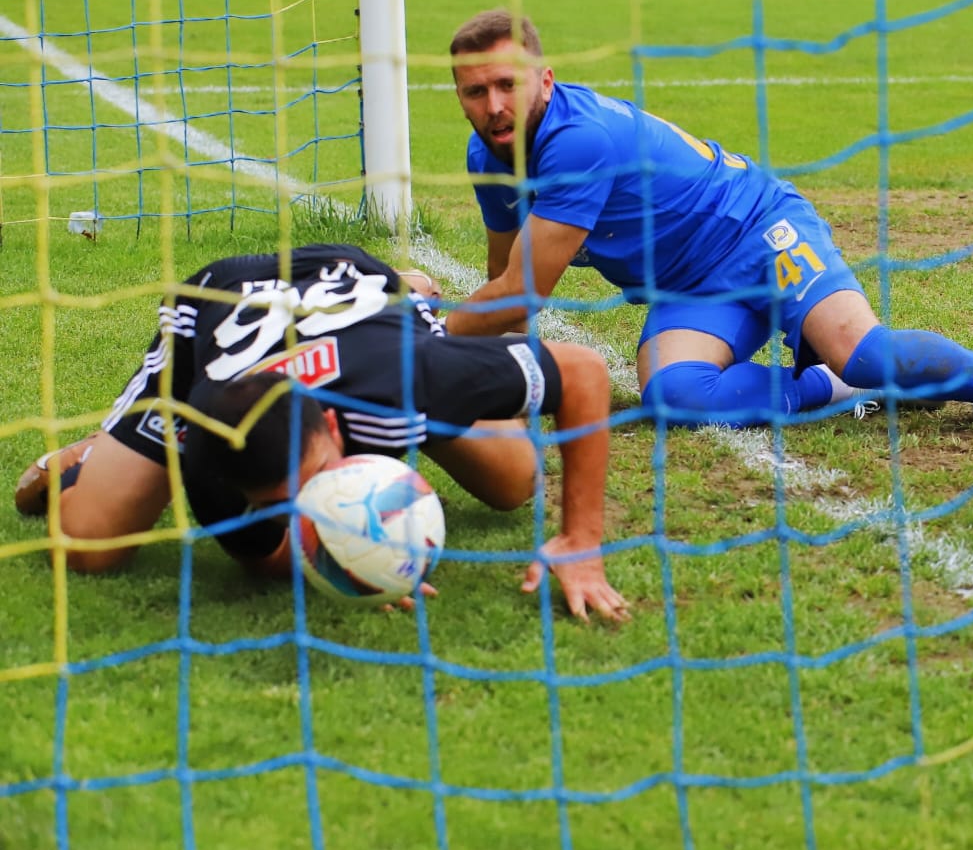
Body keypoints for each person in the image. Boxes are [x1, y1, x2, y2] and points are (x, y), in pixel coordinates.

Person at [446, 10, 973, 428]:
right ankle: (836, 392)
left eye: (508, 84)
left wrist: (430, 335)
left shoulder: (577, 141)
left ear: (546, 78)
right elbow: (503, 284)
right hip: (692, 288)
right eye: (476, 92)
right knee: (676, 397)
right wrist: (484, 371)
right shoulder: (489, 156)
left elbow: (520, 294)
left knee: (867, 351)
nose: (494, 105)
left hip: (756, 229)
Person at [12, 243, 627, 622]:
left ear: (332, 428)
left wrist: (581, 538)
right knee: (90, 548)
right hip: (219, 302)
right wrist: (354, 562)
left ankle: (409, 300)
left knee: (515, 481)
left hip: (351, 293)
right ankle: (100, 447)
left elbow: (585, 372)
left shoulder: (412, 376)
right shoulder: (209, 453)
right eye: (283, 504)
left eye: (315, 483)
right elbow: (263, 558)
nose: (307, 506)